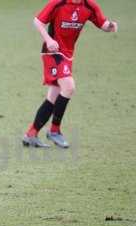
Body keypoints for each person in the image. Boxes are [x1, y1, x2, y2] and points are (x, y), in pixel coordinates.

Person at [22, 0, 117, 148]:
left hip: (67, 55)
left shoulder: (89, 5)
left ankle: (31, 134)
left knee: (53, 96)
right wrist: (49, 40)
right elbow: (37, 21)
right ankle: (54, 130)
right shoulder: (58, 3)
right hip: (53, 52)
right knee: (69, 87)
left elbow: (103, 24)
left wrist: (110, 26)